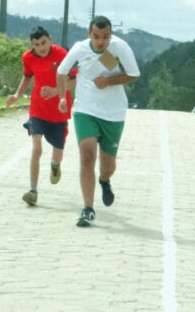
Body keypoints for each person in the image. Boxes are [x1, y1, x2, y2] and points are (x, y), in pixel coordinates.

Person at [56, 16, 140, 227]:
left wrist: (109, 81)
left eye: (105, 37)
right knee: (86, 156)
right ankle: (88, 209)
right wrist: (62, 97)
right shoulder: (80, 48)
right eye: (96, 36)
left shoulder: (120, 48)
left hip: (113, 113)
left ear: (111, 35)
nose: (101, 41)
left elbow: (133, 74)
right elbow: (61, 72)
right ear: (89, 34)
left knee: (108, 165)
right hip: (85, 109)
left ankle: (104, 180)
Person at [6, 26, 76, 206]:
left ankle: (55, 165)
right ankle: (33, 191)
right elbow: (27, 77)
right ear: (32, 45)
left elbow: (74, 80)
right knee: (36, 149)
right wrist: (17, 95)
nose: (41, 47)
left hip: (59, 109)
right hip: (38, 108)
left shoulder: (61, 55)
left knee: (57, 153)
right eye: (36, 44)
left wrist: (55, 91)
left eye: (43, 42)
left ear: (50, 39)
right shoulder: (28, 57)